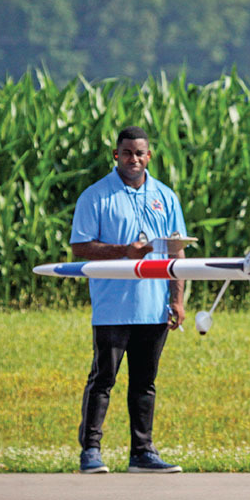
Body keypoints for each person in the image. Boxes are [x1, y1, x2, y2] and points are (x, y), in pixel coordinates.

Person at [70, 126, 187, 474]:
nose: (133, 159)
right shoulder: (96, 196)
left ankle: (142, 452)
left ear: (149, 156)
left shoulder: (165, 197)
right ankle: (90, 451)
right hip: (113, 306)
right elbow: (80, 247)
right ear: (115, 155)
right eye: (126, 153)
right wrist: (124, 251)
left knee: (144, 383)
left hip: (153, 307)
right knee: (103, 379)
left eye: (140, 153)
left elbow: (177, 252)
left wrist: (177, 300)